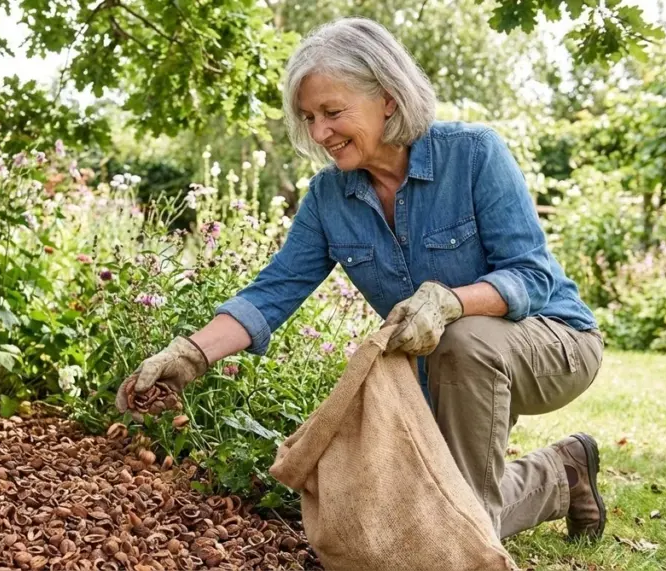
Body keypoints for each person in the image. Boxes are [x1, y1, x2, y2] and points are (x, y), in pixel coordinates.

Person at [115, 17, 605, 541]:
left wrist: (450, 303)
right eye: (309, 117)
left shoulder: (474, 154)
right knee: (391, 521)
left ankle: (467, 545)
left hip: (554, 343)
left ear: (388, 99)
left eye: (332, 112)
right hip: (446, 371)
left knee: (461, 347)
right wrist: (191, 354)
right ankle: (562, 474)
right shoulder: (330, 197)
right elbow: (273, 292)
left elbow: (530, 277)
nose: (319, 132)